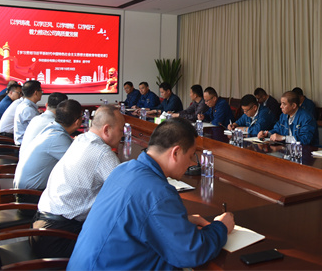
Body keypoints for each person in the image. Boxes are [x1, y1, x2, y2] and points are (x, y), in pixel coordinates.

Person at [67, 118, 234, 270]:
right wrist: (221, 227)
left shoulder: (123, 169)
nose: (191, 164)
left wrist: (179, 222)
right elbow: (191, 253)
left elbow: (137, 218)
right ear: (175, 153)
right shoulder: (159, 193)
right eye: (191, 156)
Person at [32, 105, 124, 258]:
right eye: (121, 130)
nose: (123, 135)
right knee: (123, 247)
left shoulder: (81, 139)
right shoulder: (102, 154)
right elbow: (126, 193)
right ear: (106, 130)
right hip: (58, 237)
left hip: (40, 227)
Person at [14, 100, 82, 201]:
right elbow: (80, 164)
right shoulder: (58, 137)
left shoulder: (52, 128)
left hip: (26, 192)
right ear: (77, 122)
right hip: (31, 197)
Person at [13, 80, 43, 145]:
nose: (42, 93)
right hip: (26, 145)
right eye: (41, 91)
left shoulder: (23, 105)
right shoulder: (28, 109)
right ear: (36, 93)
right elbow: (39, 129)